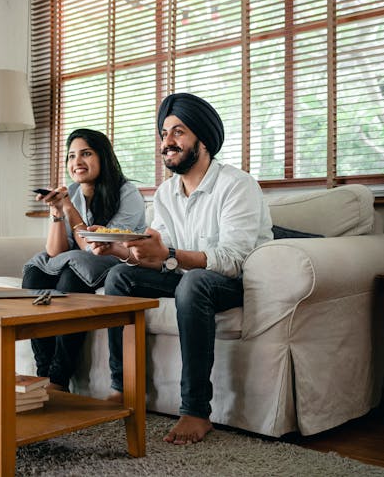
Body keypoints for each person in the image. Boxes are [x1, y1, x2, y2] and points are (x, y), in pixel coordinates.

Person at [90, 93, 273, 444]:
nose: (167, 143)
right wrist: (118, 249)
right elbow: (160, 256)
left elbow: (233, 259)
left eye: (178, 132)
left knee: (194, 284)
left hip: (233, 282)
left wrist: (168, 254)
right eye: (163, 134)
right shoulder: (165, 193)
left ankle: (195, 410)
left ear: (202, 139)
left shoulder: (238, 185)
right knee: (119, 277)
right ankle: (124, 388)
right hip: (187, 276)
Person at [23, 128, 146, 392]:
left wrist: (69, 208)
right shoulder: (73, 193)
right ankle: (43, 373)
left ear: (103, 157)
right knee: (34, 274)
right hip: (80, 261)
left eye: (86, 154)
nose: (77, 162)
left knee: (71, 277)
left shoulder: (128, 194)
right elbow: (56, 252)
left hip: (116, 262)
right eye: (71, 156)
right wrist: (57, 212)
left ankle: (59, 378)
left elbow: (96, 248)